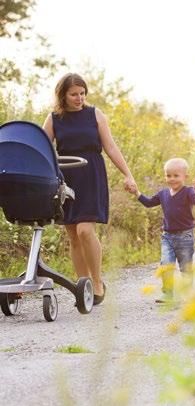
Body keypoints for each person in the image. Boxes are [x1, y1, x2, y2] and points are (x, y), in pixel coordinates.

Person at [43, 73, 136, 305]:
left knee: (85, 229)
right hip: (65, 176)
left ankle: (96, 283)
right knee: (73, 234)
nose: (79, 98)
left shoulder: (95, 114)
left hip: (91, 173)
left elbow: (111, 147)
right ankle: (82, 286)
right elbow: (42, 149)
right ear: (63, 95)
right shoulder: (53, 118)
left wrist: (128, 174)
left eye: (82, 93)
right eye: (74, 94)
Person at [132, 158, 195, 303]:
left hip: (185, 237)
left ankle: (188, 294)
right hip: (167, 237)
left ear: (185, 176)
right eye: (168, 175)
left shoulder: (189, 191)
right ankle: (167, 294)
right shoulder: (163, 194)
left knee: (185, 268)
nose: (172, 179)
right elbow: (148, 203)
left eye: (176, 176)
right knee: (166, 266)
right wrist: (137, 193)